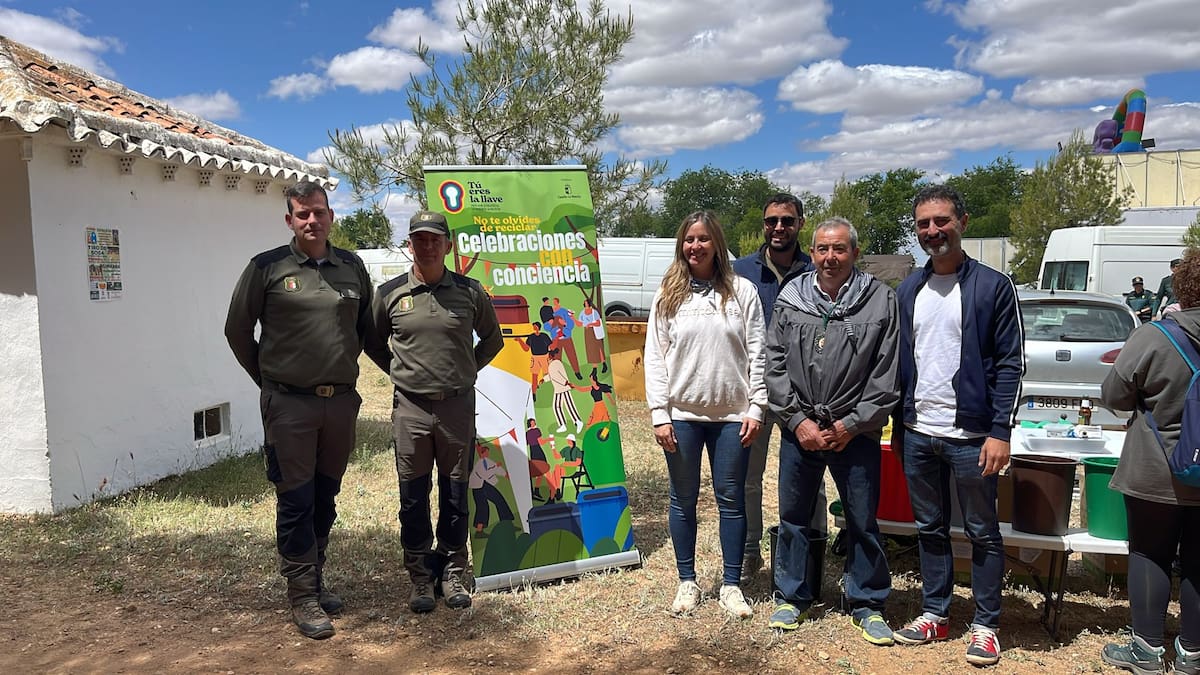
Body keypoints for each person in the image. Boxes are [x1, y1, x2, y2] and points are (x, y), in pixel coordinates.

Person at [224, 180, 372, 640]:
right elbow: (237, 330)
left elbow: (363, 329)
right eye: (302, 214)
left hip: (339, 404)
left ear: (331, 217)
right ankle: (303, 595)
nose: (312, 220)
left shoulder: (352, 267)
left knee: (325, 495)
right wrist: (271, 382)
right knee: (295, 499)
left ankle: (316, 577)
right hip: (289, 405)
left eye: (319, 212)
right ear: (289, 220)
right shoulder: (266, 267)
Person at [892, 185, 1024, 667]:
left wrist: (1000, 431)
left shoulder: (993, 286)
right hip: (918, 431)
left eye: (941, 221)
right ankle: (935, 614)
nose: (933, 231)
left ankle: (986, 624)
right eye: (924, 224)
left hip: (973, 437)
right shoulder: (909, 289)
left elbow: (1011, 364)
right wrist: (899, 425)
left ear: (962, 222)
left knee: (982, 531)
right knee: (929, 528)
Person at [764, 217, 899, 643]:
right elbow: (774, 364)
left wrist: (852, 424)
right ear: (813, 253)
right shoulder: (792, 297)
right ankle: (792, 596)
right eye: (822, 249)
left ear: (855, 253)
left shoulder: (880, 300)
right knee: (794, 517)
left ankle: (867, 602)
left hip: (854, 434)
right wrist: (797, 421)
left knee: (861, 519)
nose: (830, 257)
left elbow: (886, 374)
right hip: (800, 430)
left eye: (839, 249)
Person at [364, 210, 503, 613]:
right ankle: (421, 576)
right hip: (411, 408)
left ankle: (453, 570)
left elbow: (492, 340)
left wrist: (465, 371)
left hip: (456, 406)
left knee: (455, 492)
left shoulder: (469, 292)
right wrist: (401, 373)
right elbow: (373, 342)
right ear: (409, 244)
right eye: (419, 239)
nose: (427, 246)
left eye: (435, 240)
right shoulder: (389, 293)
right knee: (413, 495)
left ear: (448, 245)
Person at [644, 210, 766, 620]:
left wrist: (757, 406)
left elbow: (758, 351)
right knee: (683, 500)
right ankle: (687, 581)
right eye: (689, 239)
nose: (695, 246)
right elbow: (654, 357)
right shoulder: (668, 294)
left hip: (733, 416)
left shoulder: (742, 291)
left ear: (717, 244)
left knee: (731, 499)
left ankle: (731, 585)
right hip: (682, 415)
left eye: (703, 239)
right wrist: (660, 414)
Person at [1099, 249, 1200, 675]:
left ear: (1183, 286)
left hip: (1156, 467)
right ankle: (1193, 654)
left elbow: (1113, 395)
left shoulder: (1155, 336)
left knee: (1149, 553)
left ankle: (1146, 649)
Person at [732, 193, 817, 583]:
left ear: (800, 223)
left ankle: (807, 551)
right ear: (764, 225)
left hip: (804, 392)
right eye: (771, 221)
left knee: (808, 478)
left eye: (787, 220)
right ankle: (750, 550)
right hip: (754, 391)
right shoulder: (739, 271)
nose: (779, 227)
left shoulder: (815, 269)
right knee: (748, 477)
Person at [469, 442, 514, 537]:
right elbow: (485, 474)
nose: (487, 454)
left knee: (499, 499)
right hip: (477, 487)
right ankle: (479, 531)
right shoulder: (479, 464)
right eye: (486, 452)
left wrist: (506, 475)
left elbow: (496, 469)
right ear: (482, 453)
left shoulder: (487, 461)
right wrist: (495, 467)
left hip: (484, 484)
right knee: (482, 507)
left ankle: (507, 524)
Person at [579, 298, 608, 376]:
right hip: (587, 333)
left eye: (586, 303)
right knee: (591, 350)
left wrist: (590, 324)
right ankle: (594, 369)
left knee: (598, 348)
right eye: (584, 303)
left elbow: (598, 323)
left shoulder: (594, 312)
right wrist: (573, 318)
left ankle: (604, 364)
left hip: (595, 331)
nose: (585, 304)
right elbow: (580, 323)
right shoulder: (582, 313)